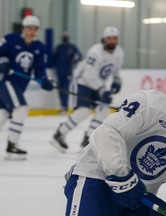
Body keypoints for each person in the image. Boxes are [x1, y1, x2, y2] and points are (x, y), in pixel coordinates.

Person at [63, 55, 166, 216]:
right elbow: (105, 133)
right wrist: (122, 174)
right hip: (96, 179)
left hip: (136, 197)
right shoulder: (148, 104)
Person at [50, 26, 123, 152]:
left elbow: (116, 71)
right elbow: (89, 73)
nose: (112, 41)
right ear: (104, 39)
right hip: (84, 83)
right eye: (109, 38)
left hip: (99, 85)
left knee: (103, 109)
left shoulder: (119, 52)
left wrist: (117, 82)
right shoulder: (95, 51)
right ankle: (59, 134)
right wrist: (102, 90)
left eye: (114, 38)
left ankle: (88, 139)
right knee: (83, 111)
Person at [0, 15, 54, 160]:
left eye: (34, 29)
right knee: (21, 108)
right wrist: (3, 61)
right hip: (5, 82)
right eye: (29, 28)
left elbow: (39, 70)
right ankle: (12, 146)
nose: (31, 31)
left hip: (18, 86)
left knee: (3, 114)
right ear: (23, 28)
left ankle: (12, 145)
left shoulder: (39, 47)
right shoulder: (11, 39)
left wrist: (44, 81)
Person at [53, 32, 82, 113]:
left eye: (66, 37)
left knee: (67, 89)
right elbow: (54, 58)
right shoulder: (59, 47)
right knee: (60, 90)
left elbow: (79, 56)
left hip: (68, 72)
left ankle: (67, 106)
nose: (64, 38)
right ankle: (63, 106)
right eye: (63, 37)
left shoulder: (72, 47)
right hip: (59, 72)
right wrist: (55, 68)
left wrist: (73, 60)